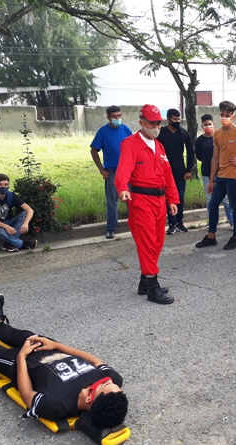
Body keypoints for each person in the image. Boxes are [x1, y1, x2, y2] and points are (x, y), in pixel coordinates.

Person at [0, 294, 128, 429]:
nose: (109, 382)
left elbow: (27, 394)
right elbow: (93, 360)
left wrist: (21, 357)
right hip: (52, 352)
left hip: (21, 364)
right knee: (29, 336)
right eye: (115, 387)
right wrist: (56, 345)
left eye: (105, 386)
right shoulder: (113, 380)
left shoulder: (56, 405)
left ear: (91, 399)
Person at [116, 104, 179, 304]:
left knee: (158, 242)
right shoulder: (131, 143)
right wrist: (122, 188)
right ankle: (153, 286)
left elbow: (168, 175)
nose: (156, 127)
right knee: (147, 243)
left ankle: (144, 280)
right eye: (152, 123)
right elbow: (123, 170)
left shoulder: (159, 146)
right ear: (141, 123)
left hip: (159, 201)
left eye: (158, 123)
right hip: (141, 200)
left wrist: (173, 199)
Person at [195, 101, 236, 251]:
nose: (225, 117)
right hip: (221, 176)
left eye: (228, 115)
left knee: (234, 206)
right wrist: (211, 180)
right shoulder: (217, 133)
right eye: (222, 115)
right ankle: (211, 236)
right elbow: (215, 158)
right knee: (213, 205)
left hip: (235, 176)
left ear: (233, 115)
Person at [90, 105, 133, 239]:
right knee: (112, 201)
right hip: (112, 171)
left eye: (119, 116)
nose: (117, 118)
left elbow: (133, 148)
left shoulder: (126, 129)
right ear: (108, 118)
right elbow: (93, 150)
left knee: (131, 200)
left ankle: (135, 224)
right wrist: (101, 170)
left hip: (128, 171)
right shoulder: (103, 132)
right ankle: (111, 228)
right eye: (114, 116)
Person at [157, 108, 195, 235]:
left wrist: (188, 170)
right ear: (168, 119)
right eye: (174, 119)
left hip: (180, 172)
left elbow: (190, 152)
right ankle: (171, 223)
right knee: (167, 198)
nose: (177, 121)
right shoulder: (160, 133)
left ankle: (179, 222)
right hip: (164, 172)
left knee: (180, 198)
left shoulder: (183, 133)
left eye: (179, 119)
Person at [0, 173, 37, 252]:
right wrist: (6, 227)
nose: (3, 187)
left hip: (9, 224)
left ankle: (10, 243)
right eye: (0, 185)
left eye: (6, 184)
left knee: (25, 214)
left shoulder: (11, 196)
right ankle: (22, 244)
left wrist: (25, 223)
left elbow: (29, 210)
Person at [195, 114, 234, 227]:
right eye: (205, 125)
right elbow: (199, 156)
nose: (208, 126)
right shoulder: (199, 141)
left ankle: (232, 222)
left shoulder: (219, 137)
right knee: (209, 199)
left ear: (214, 124)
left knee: (226, 199)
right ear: (202, 126)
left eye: (209, 124)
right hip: (207, 173)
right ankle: (212, 223)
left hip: (222, 172)